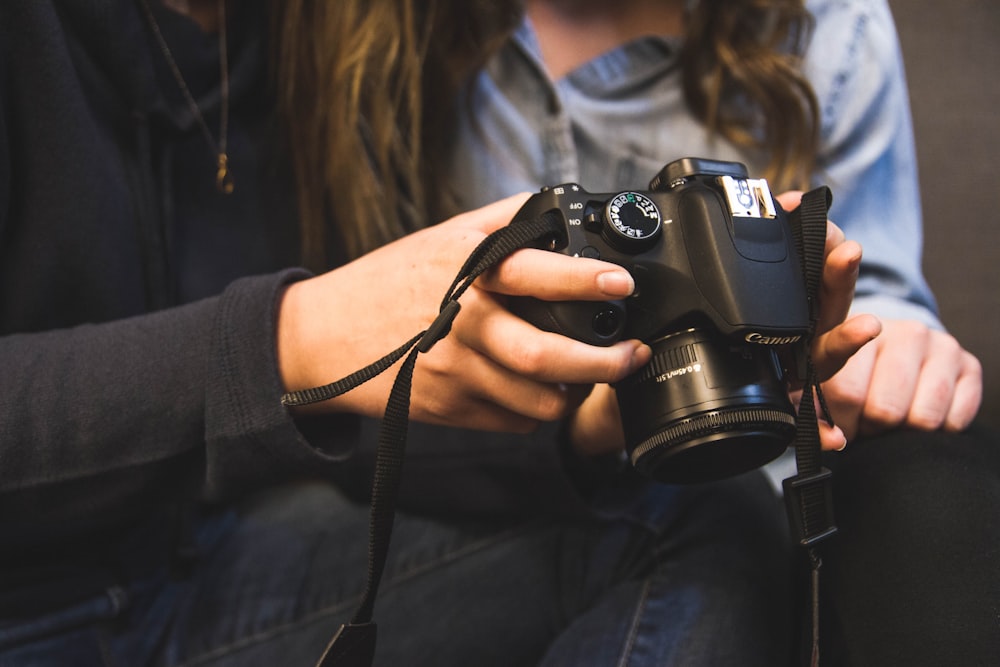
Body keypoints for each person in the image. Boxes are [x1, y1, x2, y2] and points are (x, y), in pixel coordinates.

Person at [0, 4, 988, 667]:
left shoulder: (295, 32)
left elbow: (337, 430)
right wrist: (284, 339)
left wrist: (585, 431)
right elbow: (290, 377)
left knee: (696, 509)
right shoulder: (375, 42)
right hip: (41, 591)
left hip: (209, 559)